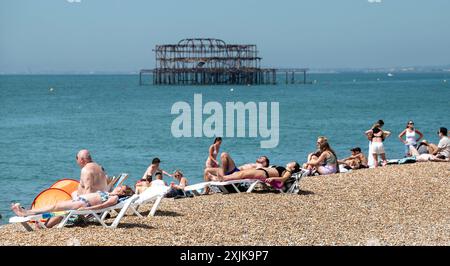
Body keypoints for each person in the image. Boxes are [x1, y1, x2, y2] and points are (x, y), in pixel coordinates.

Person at [11, 186, 134, 217]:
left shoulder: (114, 198)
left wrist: (86, 210)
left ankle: (26, 212)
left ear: (122, 193)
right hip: (79, 201)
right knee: (55, 209)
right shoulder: (109, 193)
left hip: (82, 204)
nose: (118, 187)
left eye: (120, 188)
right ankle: (27, 212)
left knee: (54, 206)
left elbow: (103, 205)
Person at [202, 154, 270, 194]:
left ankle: (222, 177)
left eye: (262, 158)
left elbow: (259, 173)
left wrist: (266, 185)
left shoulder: (260, 166)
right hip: (234, 171)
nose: (259, 157)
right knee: (206, 170)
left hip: (237, 173)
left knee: (224, 154)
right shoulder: (255, 164)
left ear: (265, 163)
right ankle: (206, 191)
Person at [207, 162, 301, 190]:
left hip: (264, 174)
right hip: (262, 171)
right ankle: (221, 178)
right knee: (239, 173)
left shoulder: (288, 171)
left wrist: (272, 178)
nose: (290, 162)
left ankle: (223, 178)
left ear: (293, 168)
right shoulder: (286, 169)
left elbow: (283, 179)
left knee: (242, 174)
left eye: (292, 163)